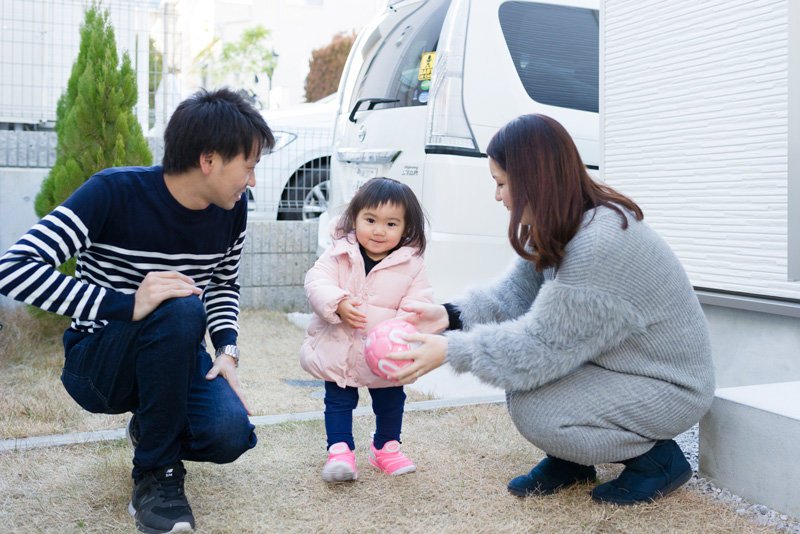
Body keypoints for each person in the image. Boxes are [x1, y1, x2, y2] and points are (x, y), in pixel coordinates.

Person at [388, 114, 716, 505]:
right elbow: (515, 295)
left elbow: (539, 348)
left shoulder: (600, 244)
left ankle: (656, 460)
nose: (498, 197)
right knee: (529, 393)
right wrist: (449, 315)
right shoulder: (568, 222)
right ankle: (573, 460)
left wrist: (451, 350)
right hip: (621, 367)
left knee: (537, 410)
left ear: (533, 180)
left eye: (502, 183)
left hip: (670, 387)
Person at [0, 88, 274, 533]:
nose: (253, 181)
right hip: (100, 363)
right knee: (182, 307)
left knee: (230, 434)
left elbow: (223, 282)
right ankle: (156, 474)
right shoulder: (113, 192)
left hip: (174, 354)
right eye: (249, 167)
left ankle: (151, 424)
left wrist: (227, 349)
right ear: (209, 160)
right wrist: (127, 304)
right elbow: (13, 270)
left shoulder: (232, 210)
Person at [300, 177, 433, 482]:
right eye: (370, 220)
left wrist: (397, 332)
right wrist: (338, 302)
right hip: (339, 346)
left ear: (405, 228)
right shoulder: (338, 253)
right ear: (354, 218)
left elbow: (419, 303)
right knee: (337, 399)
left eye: (390, 224)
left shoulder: (411, 265)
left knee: (391, 399)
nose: (378, 230)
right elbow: (316, 282)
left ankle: (385, 447)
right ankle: (340, 449)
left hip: (384, 353)